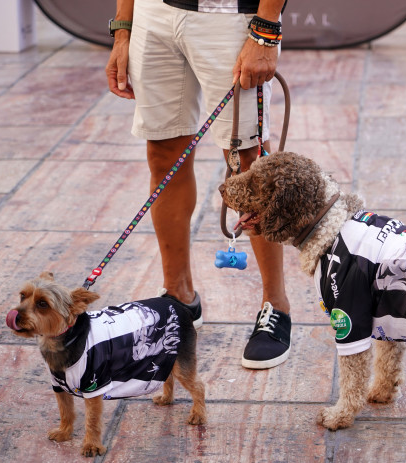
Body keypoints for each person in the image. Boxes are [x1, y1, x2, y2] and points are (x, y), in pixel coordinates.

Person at [105, 0, 291, 370]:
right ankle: (179, 296)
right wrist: (123, 28)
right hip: (154, 14)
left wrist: (267, 27)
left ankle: (276, 305)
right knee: (163, 153)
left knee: (248, 162)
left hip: (230, 16)